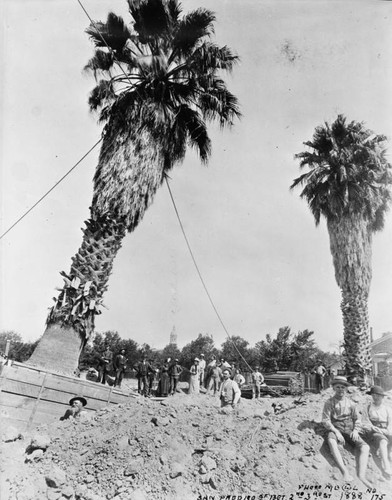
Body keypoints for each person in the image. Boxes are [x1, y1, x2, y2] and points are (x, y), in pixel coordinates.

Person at [322, 375, 371, 487]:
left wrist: (356, 430)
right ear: (334, 388)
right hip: (335, 427)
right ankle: (345, 471)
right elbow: (325, 420)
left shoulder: (351, 403)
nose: (340, 389)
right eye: (338, 387)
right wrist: (336, 432)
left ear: (346, 388)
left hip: (349, 428)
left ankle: (362, 476)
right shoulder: (329, 403)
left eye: (342, 387)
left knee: (365, 447)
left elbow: (357, 418)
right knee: (332, 441)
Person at [363, 385, 392, 475]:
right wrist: (372, 427)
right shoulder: (368, 407)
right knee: (382, 441)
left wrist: (387, 431)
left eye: (378, 395)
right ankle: (386, 467)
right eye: (373, 395)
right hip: (374, 431)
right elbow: (364, 421)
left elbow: (390, 423)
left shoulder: (387, 408)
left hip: (386, 430)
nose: (375, 397)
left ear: (382, 397)